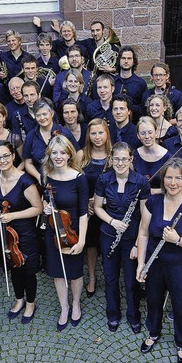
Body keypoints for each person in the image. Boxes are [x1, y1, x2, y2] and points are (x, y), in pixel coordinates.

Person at [135, 158, 182, 363]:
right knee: (153, 300)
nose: (173, 182)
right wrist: (141, 263)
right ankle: (154, 332)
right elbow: (143, 233)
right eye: (169, 177)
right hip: (155, 263)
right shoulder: (153, 202)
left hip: (181, 266)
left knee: (181, 306)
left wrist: (177, 239)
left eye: (178, 178)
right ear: (163, 178)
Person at [94, 142, 150, 333]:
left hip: (132, 238)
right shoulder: (104, 179)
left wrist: (137, 244)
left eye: (124, 159)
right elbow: (97, 207)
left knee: (130, 280)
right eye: (116, 159)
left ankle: (134, 316)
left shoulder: (141, 181)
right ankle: (113, 314)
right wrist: (112, 221)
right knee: (110, 278)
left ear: (131, 159)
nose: (120, 162)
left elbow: (145, 216)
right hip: (109, 235)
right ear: (111, 159)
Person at [0, 141, 44, 323]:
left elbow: (38, 208)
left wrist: (12, 216)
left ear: (13, 156)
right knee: (12, 266)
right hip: (5, 231)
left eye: (6, 155)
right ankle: (19, 299)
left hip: (25, 232)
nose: (2, 160)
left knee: (27, 269)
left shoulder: (25, 181)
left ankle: (30, 303)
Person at [41, 135, 89, 331]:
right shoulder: (46, 176)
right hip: (53, 231)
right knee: (58, 273)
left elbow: (84, 212)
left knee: (75, 272)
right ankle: (64, 307)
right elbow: (47, 202)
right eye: (54, 153)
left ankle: (76, 303)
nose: (58, 156)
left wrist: (82, 241)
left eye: (62, 152)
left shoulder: (79, 179)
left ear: (69, 154)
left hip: (73, 231)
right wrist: (46, 209)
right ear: (49, 155)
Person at [79, 119, 112, 297]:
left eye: (101, 133)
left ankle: (110, 277)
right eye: (93, 133)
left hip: (111, 208)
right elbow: (75, 184)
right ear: (88, 135)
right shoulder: (81, 155)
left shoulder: (115, 155)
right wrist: (86, 203)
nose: (97, 137)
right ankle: (92, 277)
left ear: (107, 133)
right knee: (91, 244)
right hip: (89, 209)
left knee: (108, 245)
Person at [23, 98, 81, 183]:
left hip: (65, 179)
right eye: (38, 115)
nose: (42, 118)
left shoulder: (64, 133)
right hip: (41, 181)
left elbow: (78, 153)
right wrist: (39, 177)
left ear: (52, 113)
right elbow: (28, 162)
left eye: (44, 114)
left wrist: (72, 172)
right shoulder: (31, 136)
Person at [133, 116, 172, 194]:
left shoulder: (168, 157)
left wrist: (151, 191)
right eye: (143, 133)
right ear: (138, 136)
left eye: (150, 132)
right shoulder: (134, 155)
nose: (147, 137)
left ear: (156, 133)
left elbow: (171, 187)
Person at [114, 46, 146, 118]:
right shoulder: (112, 81)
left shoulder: (140, 83)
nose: (126, 61)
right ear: (119, 60)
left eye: (129, 58)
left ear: (133, 61)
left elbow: (143, 107)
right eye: (123, 58)